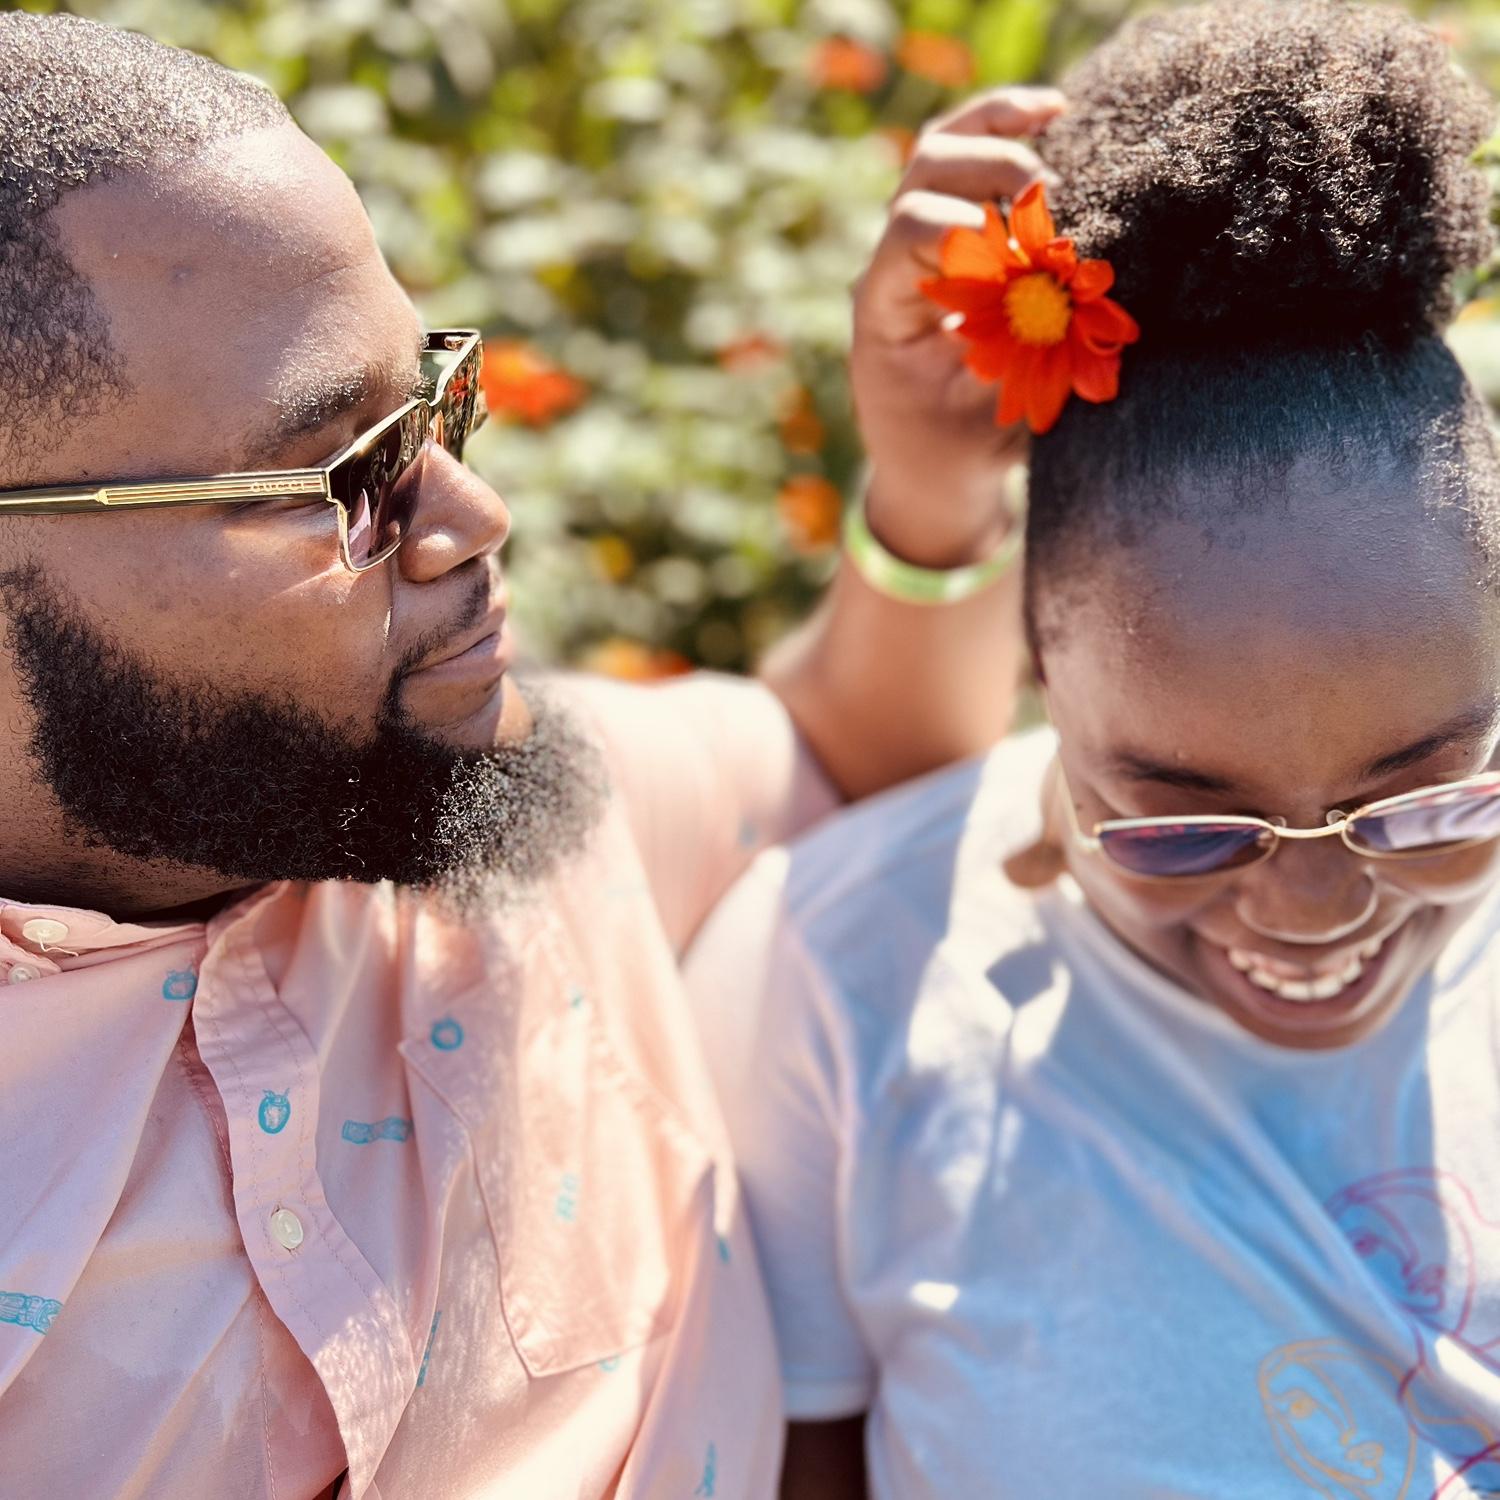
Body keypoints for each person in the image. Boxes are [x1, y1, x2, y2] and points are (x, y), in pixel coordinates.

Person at [0, 13, 1047, 1498]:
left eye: (434, 405)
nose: (472, 516)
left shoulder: (487, 801)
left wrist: (933, 480)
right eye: (346, 477)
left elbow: (845, 749)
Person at [685, 4, 1500, 1496]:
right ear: (1040, 679)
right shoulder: (848, 984)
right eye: (1185, 824)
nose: (1314, 911)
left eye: (1423, 801)